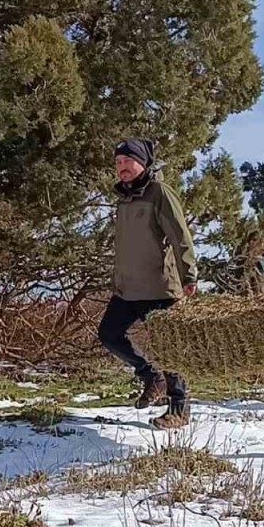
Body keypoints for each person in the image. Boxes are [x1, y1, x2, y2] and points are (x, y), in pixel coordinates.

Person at [97, 137, 198, 430]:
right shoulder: (125, 199)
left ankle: (179, 408)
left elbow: (181, 237)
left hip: (159, 287)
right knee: (109, 334)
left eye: (128, 161)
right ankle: (151, 376)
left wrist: (189, 275)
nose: (122, 168)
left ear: (143, 162)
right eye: (118, 163)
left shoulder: (159, 193)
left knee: (169, 347)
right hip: (128, 288)